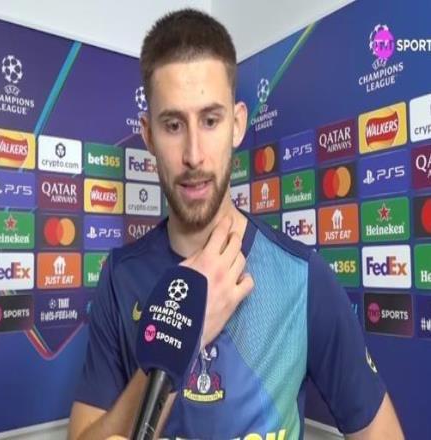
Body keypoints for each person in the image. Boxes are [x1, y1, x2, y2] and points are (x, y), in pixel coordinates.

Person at [69, 9, 404, 440]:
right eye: (173, 125)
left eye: (210, 120)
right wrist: (179, 339)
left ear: (238, 124)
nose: (193, 155)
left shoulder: (302, 277)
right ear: (149, 135)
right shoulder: (120, 276)